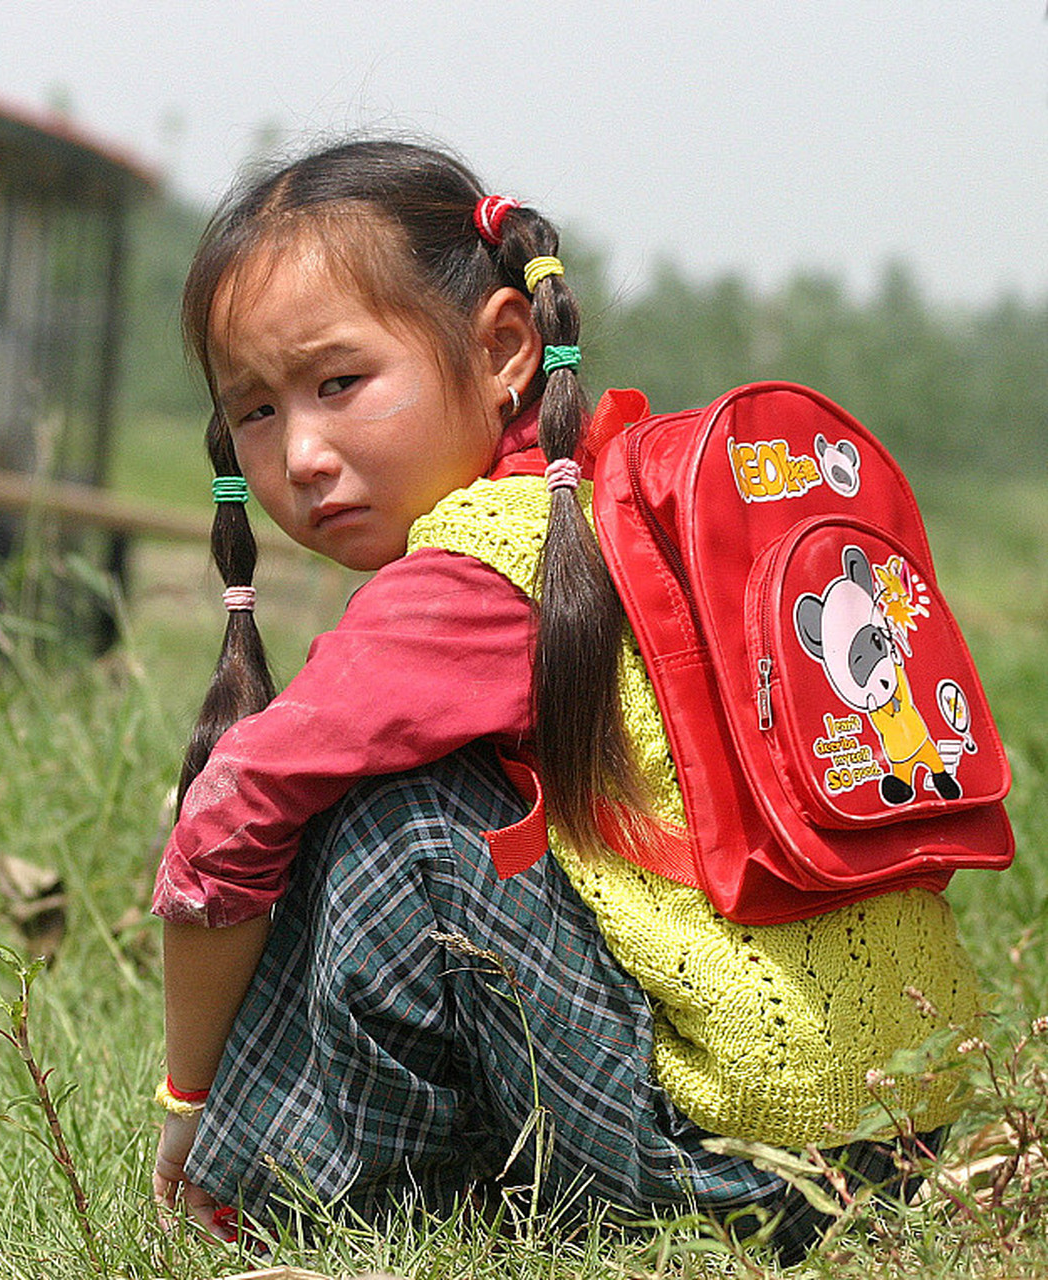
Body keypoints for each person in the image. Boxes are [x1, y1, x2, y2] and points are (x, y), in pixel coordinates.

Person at [147, 138, 981, 1260]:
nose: (300, 452)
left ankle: (280, 1203)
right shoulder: (618, 489)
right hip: (902, 1138)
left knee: (395, 829)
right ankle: (451, 1185)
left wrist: (188, 1094)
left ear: (502, 350)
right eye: (254, 410)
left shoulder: (487, 560)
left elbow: (229, 815)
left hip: (737, 1169)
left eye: (339, 383)